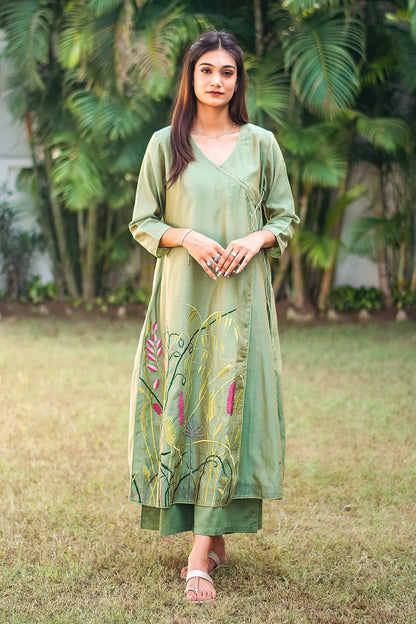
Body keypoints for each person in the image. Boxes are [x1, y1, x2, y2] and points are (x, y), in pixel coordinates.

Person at [128, 29, 299, 604]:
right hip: (183, 300)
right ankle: (209, 529)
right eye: (207, 70)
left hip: (242, 300)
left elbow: (285, 218)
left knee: (230, 405)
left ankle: (200, 552)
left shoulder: (261, 144)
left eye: (227, 72)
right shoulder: (164, 143)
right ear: (190, 76)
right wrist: (190, 238)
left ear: (238, 80)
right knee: (191, 403)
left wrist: (255, 239)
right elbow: (143, 221)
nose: (217, 81)